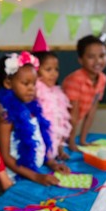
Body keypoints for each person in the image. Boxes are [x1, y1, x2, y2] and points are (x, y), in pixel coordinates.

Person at [0, 51, 70, 186]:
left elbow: (39, 140)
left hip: (36, 171)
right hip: (17, 179)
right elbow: (5, 157)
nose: (31, 89)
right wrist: (36, 177)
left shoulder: (31, 108)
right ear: (8, 83)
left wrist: (51, 163)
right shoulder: (6, 117)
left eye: (34, 83)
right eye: (25, 83)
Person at [62, 35, 106, 151]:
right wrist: (71, 142)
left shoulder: (103, 79)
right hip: (59, 124)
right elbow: (73, 115)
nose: (98, 61)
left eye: (102, 56)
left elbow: (91, 111)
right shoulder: (75, 80)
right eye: (91, 57)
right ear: (81, 60)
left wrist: (83, 140)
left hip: (72, 123)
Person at [32, 29, 72, 160]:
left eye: (56, 69)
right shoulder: (34, 93)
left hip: (52, 154)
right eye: (48, 69)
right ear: (36, 71)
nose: (54, 73)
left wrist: (60, 149)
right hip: (39, 153)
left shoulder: (58, 94)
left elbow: (59, 126)